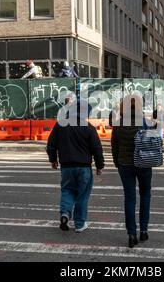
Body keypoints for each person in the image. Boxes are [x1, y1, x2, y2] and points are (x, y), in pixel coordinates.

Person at [46, 99, 105, 232]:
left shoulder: (60, 125)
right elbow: (97, 149)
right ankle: (79, 224)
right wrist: (99, 166)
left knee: (67, 191)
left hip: (66, 166)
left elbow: (51, 145)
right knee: (82, 195)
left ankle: (65, 214)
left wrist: (53, 159)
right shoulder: (89, 128)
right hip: (84, 167)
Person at [111, 95, 153, 248]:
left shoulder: (118, 124)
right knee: (145, 195)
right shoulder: (146, 122)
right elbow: (152, 144)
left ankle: (131, 234)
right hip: (144, 164)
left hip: (125, 164)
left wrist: (117, 163)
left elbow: (114, 146)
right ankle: (143, 230)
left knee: (129, 198)